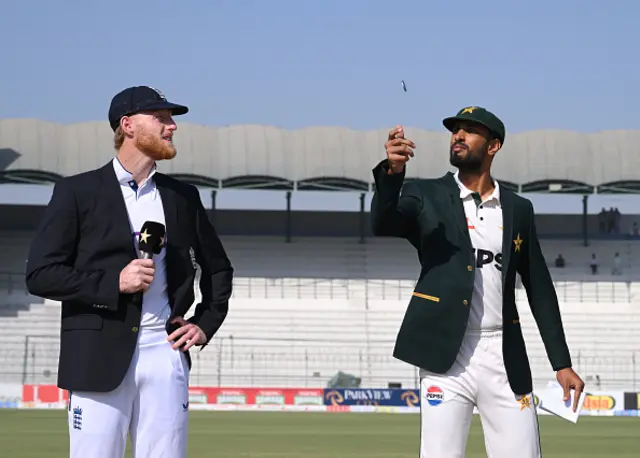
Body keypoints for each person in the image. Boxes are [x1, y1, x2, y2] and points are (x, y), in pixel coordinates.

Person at [25, 85, 234, 458]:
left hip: (165, 352)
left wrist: (206, 320)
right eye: (162, 118)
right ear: (129, 125)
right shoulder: (77, 192)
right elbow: (40, 274)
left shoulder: (182, 196)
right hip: (95, 356)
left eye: (171, 119)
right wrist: (114, 282)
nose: (172, 126)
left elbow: (218, 267)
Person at [370, 106, 585, 457]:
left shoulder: (519, 209)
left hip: (504, 355)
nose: (458, 135)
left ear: (493, 146)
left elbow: (540, 288)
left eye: (469, 130)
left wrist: (561, 363)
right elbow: (382, 224)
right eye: (455, 130)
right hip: (445, 358)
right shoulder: (426, 194)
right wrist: (392, 174)